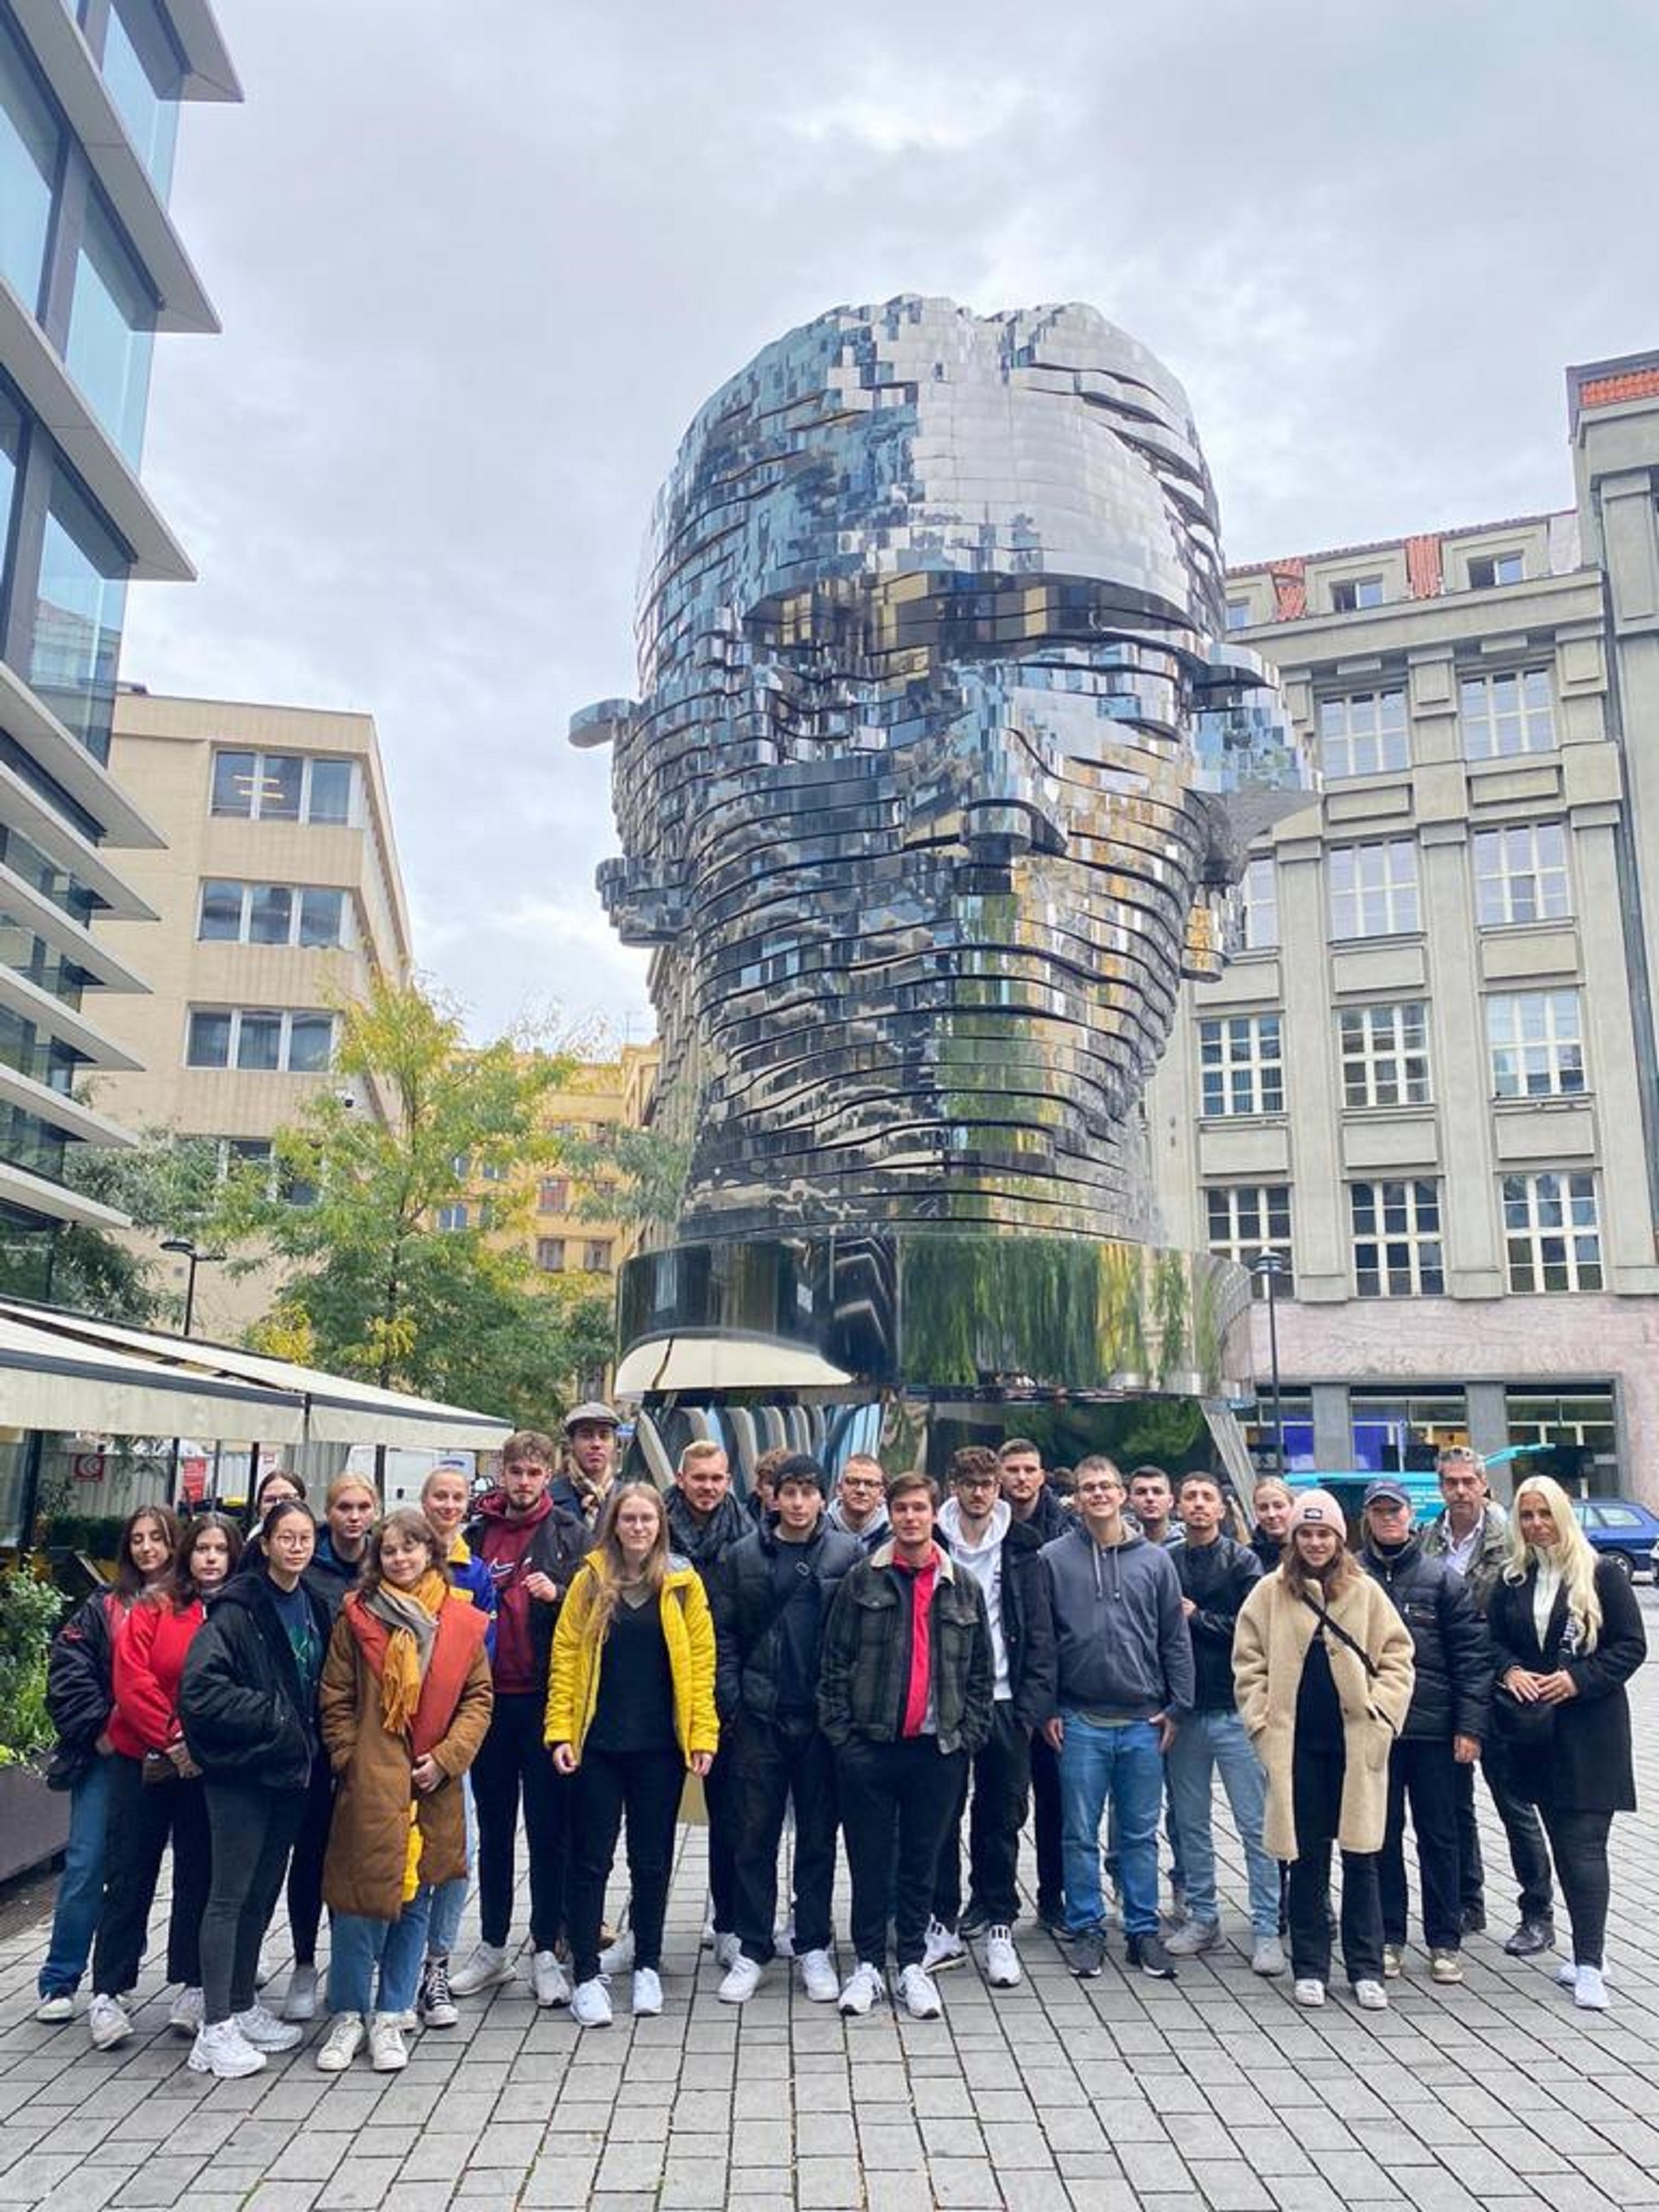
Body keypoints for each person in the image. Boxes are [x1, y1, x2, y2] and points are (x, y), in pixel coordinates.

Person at [314, 1509, 493, 2073]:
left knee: (416, 1902)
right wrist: (350, 1758)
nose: (400, 1558)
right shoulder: (358, 1617)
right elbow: (335, 1696)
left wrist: (446, 1759)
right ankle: (347, 2014)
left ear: (431, 1553)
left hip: (432, 1783)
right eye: (389, 1550)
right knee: (356, 1901)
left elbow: (478, 1698)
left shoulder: (461, 1622)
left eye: (411, 1548)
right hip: (370, 1782)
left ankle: (391, 2013)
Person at [817, 1471, 993, 2022]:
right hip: (871, 1744)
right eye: (902, 1509)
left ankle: (912, 1961)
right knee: (868, 1860)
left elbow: (980, 1672)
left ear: (933, 1514)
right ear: (891, 1515)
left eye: (920, 1508)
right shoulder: (861, 1580)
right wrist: (844, 1738)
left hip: (936, 1749)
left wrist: (967, 1736)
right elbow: (835, 1663)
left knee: (922, 1860)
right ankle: (868, 1962)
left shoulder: (961, 1584)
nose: (911, 1518)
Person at [1233, 1490, 1414, 2013]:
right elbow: (1248, 1662)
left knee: (1364, 1857)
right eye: (1306, 1534)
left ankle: (1365, 1966)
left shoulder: (1366, 1592)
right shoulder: (1269, 1593)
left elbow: (1399, 1656)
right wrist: (1262, 1723)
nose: (1315, 1543)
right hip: (1296, 1748)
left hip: (1355, 1747)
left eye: (1324, 1534)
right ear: (1292, 1539)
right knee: (1306, 1858)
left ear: (1340, 1538)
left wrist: (1382, 1714)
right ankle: (1310, 1964)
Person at [546, 1484, 718, 2028]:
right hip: (598, 1744)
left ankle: (646, 1961)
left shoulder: (683, 1584)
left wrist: (702, 1737)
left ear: (660, 1526)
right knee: (591, 1860)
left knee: (652, 1861)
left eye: (647, 1519)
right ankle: (588, 1972)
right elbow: (566, 1656)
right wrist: (560, 1732)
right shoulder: (590, 1580)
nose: (638, 1527)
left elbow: (703, 1665)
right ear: (614, 1525)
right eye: (629, 1519)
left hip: (660, 1749)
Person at [179, 1499, 333, 2076]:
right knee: (228, 1895)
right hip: (243, 1772)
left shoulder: (315, 1604)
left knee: (263, 1891)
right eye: (285, 1537)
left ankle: (242, 2003)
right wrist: (274, 1717)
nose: (296, 1546)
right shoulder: (237, 1609)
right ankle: (213, 2026)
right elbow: (200, 1689)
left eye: (303, 1537)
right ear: (264, 1544)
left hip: (292, 1773)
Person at [1484, 1476, 1645, 2012]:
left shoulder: (1600, 1575)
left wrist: (1579, 1679)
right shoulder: (1513, 1578)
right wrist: (1509, 1672)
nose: (1535, 1525)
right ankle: (1580, 1954)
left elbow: (1631, 1647)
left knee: (1583, 1850)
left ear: (1562, 1515)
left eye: (1543, 1514)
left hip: (1591, 1734)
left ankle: (1593, 1964)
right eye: (1526, 1516)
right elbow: (1492, 1640)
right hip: (1537, 1735)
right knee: (1559, 1843)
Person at [86, 1513, 239, 2052]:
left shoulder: (236, 1611)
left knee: (199, 1872)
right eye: (202, 1549)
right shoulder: (155, 1607)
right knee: (130, 1871)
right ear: (186, 1554)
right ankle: (108, 1989)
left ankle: (192, 1984)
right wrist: (172, 1738)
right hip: (144, 1757)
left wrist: (197, 1744)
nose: (211, 1559)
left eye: (221, 1549)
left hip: (206, 1766)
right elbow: (132, 1679)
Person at [709, 1452, 860, 2005]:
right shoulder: (742, 1555)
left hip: (820, 1720)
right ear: (772, 1497)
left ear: (824, 1497)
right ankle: (752, 1946)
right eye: (788, 1492)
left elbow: (856, 1637)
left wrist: (842, 1707)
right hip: (760, 1717)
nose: (797, 1503)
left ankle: (814, 1942)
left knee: (818, 1837)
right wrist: (733, 1699)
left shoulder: (846, 1552)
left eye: (808, 1492)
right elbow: (723, 1634)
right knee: (753, 1835)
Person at [450, 1429, 590, 2005]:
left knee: (548, 1828)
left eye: (535, 1473)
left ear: (548, 1475)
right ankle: (490, 1944)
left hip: (545, 1699)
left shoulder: (571, 1534)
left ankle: (544, 1948)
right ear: (502, 1474)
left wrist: (558, 1595)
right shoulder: (476, 1534)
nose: (525, 1482)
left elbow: (595, 1615)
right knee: (495, 1828)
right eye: (516, 1472)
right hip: (487, 1700)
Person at [1041, 1457, 1191, 1982]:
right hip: (1079, 1717)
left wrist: (1178, 1705)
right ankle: (1086, 1928)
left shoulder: (1155, 1561)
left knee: (1139, 1834)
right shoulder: (1053, 1559)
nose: (1098, 1494)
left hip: (1142, 1720)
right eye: (1088, 1488)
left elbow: (1174, 1637)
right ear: (1076, 1498)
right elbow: (1043, 1641)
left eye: (1107, 1486)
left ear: (1122, 1493)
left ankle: (1142, 1930)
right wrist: (1046, 1708)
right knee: (1079, 1832)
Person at [36, 1505, 178, 2024]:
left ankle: (117, 1977)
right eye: (137, 1539)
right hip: (109, 1752)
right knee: (86, 1863)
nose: (147, 1548)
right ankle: (60, 1977)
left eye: (157, 1538)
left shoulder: (188, 1605)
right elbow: (69, 1670)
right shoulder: (102, 1607)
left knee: (134, 1869)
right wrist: (97, 1729)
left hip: (163, 1754)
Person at [924, 1446, 1055, 1992]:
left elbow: (1042, 1633)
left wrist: (1031, 1708)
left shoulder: (1026, 1547)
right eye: (969, 1482)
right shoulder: (929, 1542)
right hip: (946, 1699)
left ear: (999, 1488)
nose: (979, 1492)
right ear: (952, 1485)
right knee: (940, 1815)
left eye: (987, 1483)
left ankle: (998, 1917)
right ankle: (941, 1919)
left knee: (1001, 1814)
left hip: (1005, 1699)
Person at [1420, 1446, 1555, 1955]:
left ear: (1483, 1485)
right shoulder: (1429, 1539)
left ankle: (1537, 1913)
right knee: (1454, 1808)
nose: (1459, 1491)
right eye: (1450, 1482)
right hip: (1444, 1689)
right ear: (1441, 1488)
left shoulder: (1511, 1540)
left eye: (1467, 1482)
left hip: (1498, 1689)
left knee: (1514, 1804)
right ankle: (1466, 1901)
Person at [1357, 1478, 1490, 1986]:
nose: (1388, 1518)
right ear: (1368, 1518)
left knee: (1441, 1838)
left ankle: (1443, 1940)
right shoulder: (1353, 1575)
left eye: (1396, 1510)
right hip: (1375, 1733)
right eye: (1379, 1511)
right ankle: (1388, 1936)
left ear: (1412, 1516)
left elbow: (1472, 1661)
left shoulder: (1442, 1580)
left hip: (1436, 1734)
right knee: (1380, 1837)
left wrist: (1469, 1727)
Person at [1160, 1472, 1282, 1974]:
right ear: (1178, 1506)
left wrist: (1197, 1618)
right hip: (1185, 1712)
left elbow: (1254, 1629)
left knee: (1256, 1826)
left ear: (1221, 1507)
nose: (1197, 1506)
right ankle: (1203, 1916)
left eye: (1206, 1498)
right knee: (1189, 1824)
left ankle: (1267, 1927)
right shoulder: (1166, 1560)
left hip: (1235, 1710)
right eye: (1189, 1498)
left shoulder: (1242, 1561)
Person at [275, 1471, 378, 2024]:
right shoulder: (308, 1564)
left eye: (363, 1506)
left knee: (356, 1850)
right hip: (314, 1732)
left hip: (372, 1732)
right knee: (310, 1851)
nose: (354, 1516)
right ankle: (304, 1961)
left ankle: (349, 1961)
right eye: (343, 1506)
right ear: (328, 1512)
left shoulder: (385, 1561)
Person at [413, 1462, 495, 2026]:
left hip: (450, 1745)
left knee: (453, 1858)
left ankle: (435, 1965)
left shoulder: (477, 1573)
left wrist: (449, 1747)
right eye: (438, 1496)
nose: (447, 1506)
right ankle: (397, 1967)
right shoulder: (396, 1564)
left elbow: (477, 1659)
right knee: (396, 1857)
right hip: (393, 1740)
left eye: (456, 1498)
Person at [663, 1440, 749, 1965]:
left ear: (729, 1480)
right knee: (650, 1814)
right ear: (680, 1478)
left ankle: (729, 1921)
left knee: (730, 1816)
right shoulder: (654, 1529)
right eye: (699, 1478)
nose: (708, 1487)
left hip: (723, 1690)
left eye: (717, 1478)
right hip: (661, 1688)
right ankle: (641, 1925)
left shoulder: (746, 1535)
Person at [999, 1438, 1066, 1929]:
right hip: (1002, 1691)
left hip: (1052, 1687)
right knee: (1000, 1802)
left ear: (1042, 1476)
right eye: (1013, 1470)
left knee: (1055, 1801)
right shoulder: (988, 1529)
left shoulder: (1065, 1531)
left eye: (1030, 1469)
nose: (1022, 1478)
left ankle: (1053, 1895)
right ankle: (991, 1897)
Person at [554, 1402, 621, 1522]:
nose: (596, 1444)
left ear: (615, 1443)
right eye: (586, 1436)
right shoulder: (548, 1500)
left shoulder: (629, 1499)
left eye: (604, 1436)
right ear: (571, 1443)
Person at [234, 1469, 306, 1576]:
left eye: (287, 1498)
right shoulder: (250, 1548)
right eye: (270, 1500)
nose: (278, 1505)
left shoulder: (320, 1541)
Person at [825, 1454, 890, 1553]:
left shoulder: (895, 1538)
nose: (861, 1490)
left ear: (881, 1494)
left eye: (870, 1484)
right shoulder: (817, 1532)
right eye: (852, 1482)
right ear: (839, 1489)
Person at [1128, 1467, 1179, 1548]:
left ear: (1170, 1501)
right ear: (1130, 1502)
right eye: (1141, 1492)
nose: (1150, 1498)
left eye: (1157, 1492)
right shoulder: (1117, 1542)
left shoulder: (1187, 1542)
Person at [1249, 1478, 1293, 1573]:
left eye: (1278, 1506)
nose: (1271, 1514)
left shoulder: (1307, 1553)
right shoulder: (1246, 1558)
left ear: (1293, 1506)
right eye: (1263, 1508)